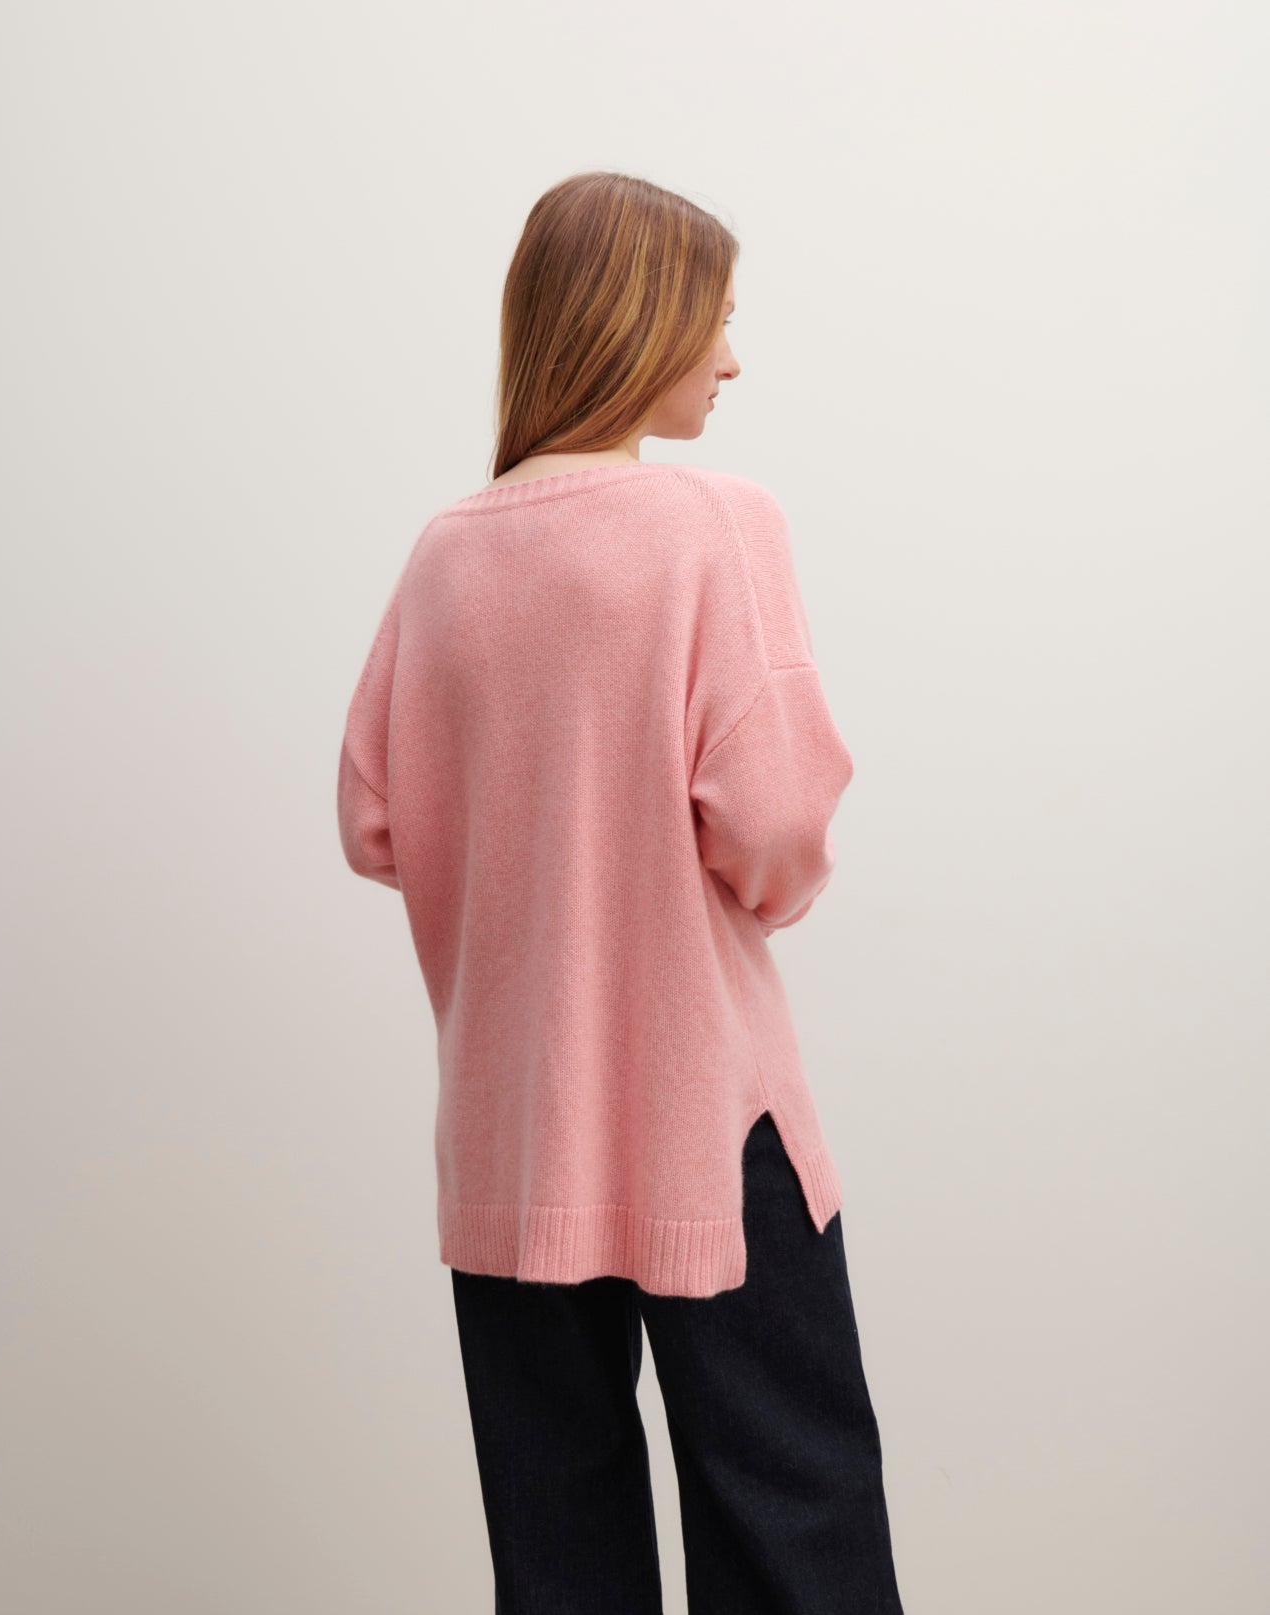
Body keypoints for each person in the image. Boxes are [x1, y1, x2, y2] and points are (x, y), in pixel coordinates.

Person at [337, 169, 905, 1614]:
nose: (732, 359)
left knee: (561, 1558)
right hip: (705, 1119)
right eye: (718, 318)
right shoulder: (713, 523)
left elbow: (375, 820)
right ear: (641, 320)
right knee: (798, 1526)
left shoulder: (444, 555)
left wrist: (528, 857)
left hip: (511, 1137)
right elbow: (775, 822)